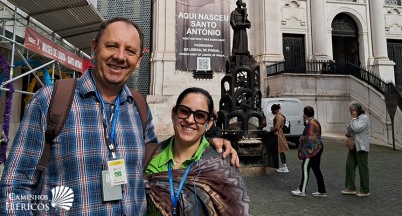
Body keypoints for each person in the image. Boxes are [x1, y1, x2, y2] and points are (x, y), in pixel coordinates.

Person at [0, 17, 237, 214]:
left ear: (138, 59)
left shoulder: (139, 106)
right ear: (94, 47)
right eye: (112, 46)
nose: (120, 56)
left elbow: (155, 155)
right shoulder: (51, 100)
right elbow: (15, 185)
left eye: (130, 50)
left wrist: (204, 141)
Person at [145, 87, 250, 215]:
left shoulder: (222, 163)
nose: (189, 120)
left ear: (209, 123)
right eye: (184, 111)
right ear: (173, 114)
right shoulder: (149, 157)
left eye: (200, 116)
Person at [291, 106, 326, 197]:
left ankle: (302, 190)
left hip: (312, 150)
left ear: (305, 114)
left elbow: (309, 139)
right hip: (318, 148)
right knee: (316, 169)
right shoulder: (315, 121)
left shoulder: (310, 124)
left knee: (305, 167)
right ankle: (322, 190)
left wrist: (302, 140)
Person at [341, 101, 371, 197]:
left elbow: (357, 128)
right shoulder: (355, 119)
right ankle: (350, 187)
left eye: (352, 110)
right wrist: (347, 132)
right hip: (353, 146)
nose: (350, 112)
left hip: (361, 147)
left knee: (363, 168)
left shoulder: (364, 118)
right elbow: (351, 129)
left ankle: (365, 190)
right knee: (349, 165)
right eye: (350, 110)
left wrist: (353, 119)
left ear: (357, 110)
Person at [270, 104, 290, 173]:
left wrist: (271, 129)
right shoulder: (279, 116)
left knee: (281, 151)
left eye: (272, 110)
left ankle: (284, 167)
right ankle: (283, 166)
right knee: (280, 151)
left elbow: (277, 127)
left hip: (278, 135)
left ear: (275, 110)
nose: (271, 112)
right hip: (279, 134)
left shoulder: (278, 116)